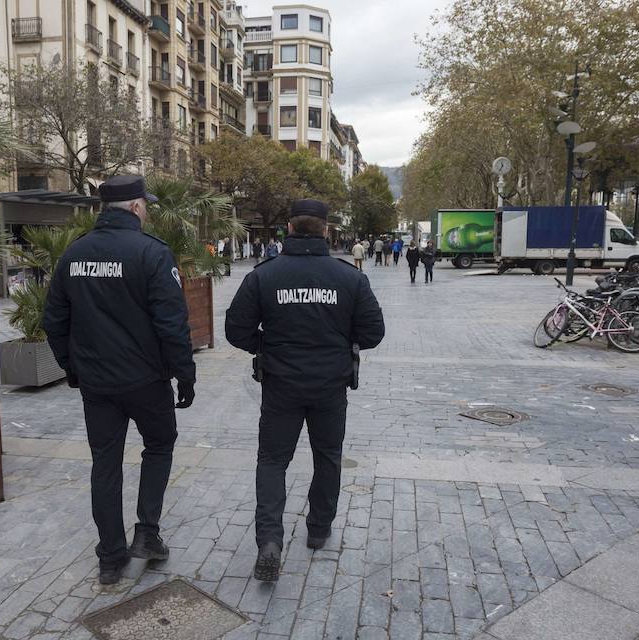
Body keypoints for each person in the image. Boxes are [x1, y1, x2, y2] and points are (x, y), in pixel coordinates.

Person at [42, 175, 196, 585]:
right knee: (160, 445)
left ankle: (110, 557)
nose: (147, 210)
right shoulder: (152, 253)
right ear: (134, 208)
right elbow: (172, 325)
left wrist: (71, 367)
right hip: (146, 381)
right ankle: (147, 532)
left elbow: (54, 319)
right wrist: (186, 375)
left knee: (105, 464)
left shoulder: (74, 254)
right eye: (145, 204)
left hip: (97, 384)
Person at [225, 199, 385, 582]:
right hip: (330, 386)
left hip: (281, 384)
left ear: (289, 230)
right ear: (326, 231)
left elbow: (236, 330)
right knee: (327, 457)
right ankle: (318, 528)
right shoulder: (349, 278)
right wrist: (340, 342)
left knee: (272, 461)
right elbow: (373, 333)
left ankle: (269, 541)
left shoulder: (264, 275)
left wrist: (266, 346)